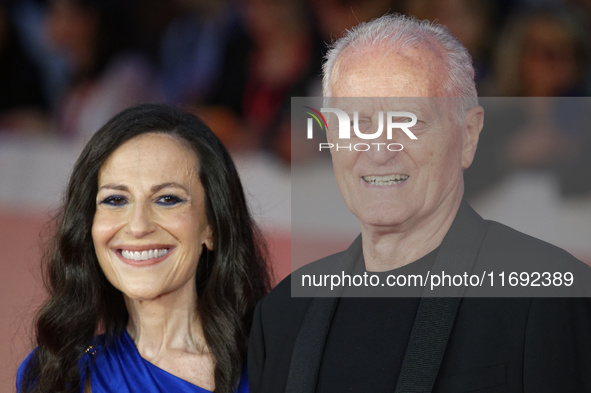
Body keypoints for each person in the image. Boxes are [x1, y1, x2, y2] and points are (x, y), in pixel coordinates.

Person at [248, 14, 591, 393]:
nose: (379, 151)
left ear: (469, 136)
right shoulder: (280, 316)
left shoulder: (550, 296)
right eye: (358, 123)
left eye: (408, 122)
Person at [17, 103, 271, 393]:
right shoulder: (58, 373)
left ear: (211, 226)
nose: (138, 227)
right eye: (115, 200)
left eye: (167, 199)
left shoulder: (276, 368)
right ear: (88, 225)